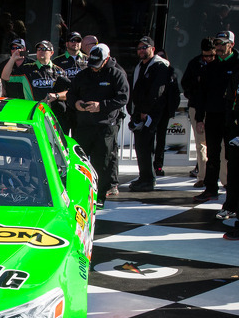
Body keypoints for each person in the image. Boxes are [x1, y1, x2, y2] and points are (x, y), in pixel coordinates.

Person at [67, 44, 130, 208]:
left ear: (106, 59)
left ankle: (100, 196)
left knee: (102, 162)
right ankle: (76, 194)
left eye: (97, 64)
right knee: (78, 161)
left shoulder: (117, 74)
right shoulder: (83, 74)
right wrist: (76, 103)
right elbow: (70, 94)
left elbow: (123, 97)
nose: (94, 68)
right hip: (83, 125)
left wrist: (101, 105)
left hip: (105, 126)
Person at [194, 30, 239, 204]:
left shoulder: (237, 63)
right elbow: (202, 94)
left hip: (232, 118)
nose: (218, 47)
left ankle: (231, 191)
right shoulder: (210, 66)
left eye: (222, 44)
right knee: (213, 154)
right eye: (217, 44)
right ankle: (211, 188)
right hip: (213, 116)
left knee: (232, 156)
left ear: (231, 45)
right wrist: (199, 118)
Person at [128, 36, 171, 192]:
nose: (141, 50)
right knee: (140, 146)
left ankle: (148, 179)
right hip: (139, 111)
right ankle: (144, 176)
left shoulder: (159, 66)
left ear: (152, 49)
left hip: (151, 113)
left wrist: (145, 111)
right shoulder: (141, 65)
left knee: (146, 146)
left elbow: (156, 92)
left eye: (144, 47)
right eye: (139, 48)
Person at [2, 40, 71, 122]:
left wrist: (56, 96)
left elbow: (69, 93)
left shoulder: (59, 71)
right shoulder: (27, 68)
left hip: (54, 114)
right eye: (39, 49)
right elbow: (5, 77)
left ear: (51, 53)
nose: (41, 51)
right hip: (33, 112)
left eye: (44, 49)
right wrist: (12, 59)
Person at [181, 38, 216, 187]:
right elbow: (185, 83)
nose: (208, 58)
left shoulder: (219, 64)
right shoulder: (195, 63)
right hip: (197, 107)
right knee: (201, 144)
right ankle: (202, 176)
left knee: (218, 144)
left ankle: (223, 178)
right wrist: (194, 94)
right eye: (205, 56)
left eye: (211, 55)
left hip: (216, 108)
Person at [151, 48, 180, 177]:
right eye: (158, 57)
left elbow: (175, 93)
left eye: (163, 57)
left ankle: (158, 165)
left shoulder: (171, 72)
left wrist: (172, 109)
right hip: (151, 110)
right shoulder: (150, 71)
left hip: (164, 111)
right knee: (148, 139)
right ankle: (148, 165)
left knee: (161, 139)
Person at [53, 31, 88, 134]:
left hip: (82, 104)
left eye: (78, 40)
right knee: (62, 137)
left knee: (80, 136)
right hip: (65, 104)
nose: (75, 43)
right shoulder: (57, 61)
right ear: (67, 43)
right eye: (72, 40)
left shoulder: (89, 60)